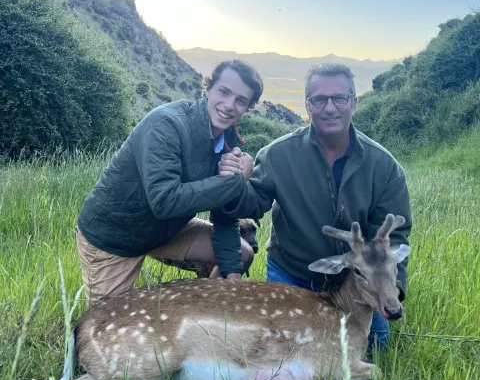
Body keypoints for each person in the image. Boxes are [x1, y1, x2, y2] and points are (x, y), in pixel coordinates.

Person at [218, 63, 412, 351]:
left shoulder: (384, 167)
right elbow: (252, 204)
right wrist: (235, 182)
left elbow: (394, 238)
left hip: (356, 284)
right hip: (292, 274)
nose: (329, 108)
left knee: (374, 349)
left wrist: (390, 289)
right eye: (319, 100)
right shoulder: (277, 155)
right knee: (283, 353)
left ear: (354, 103)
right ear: (308, 105)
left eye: (339, 98)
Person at [76, 59, 261, 305]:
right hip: (115, 236)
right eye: (224, 92)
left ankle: (199, 317)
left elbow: (224, 215)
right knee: (106, 327)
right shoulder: (166, 124)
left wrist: (232, 271)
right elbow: (164, 201)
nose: (229, 105)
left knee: (241, 254)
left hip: (166, 230)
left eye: (240, 100)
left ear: (247, 107)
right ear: (208, 88)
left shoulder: (227, 142)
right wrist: (237, 181)